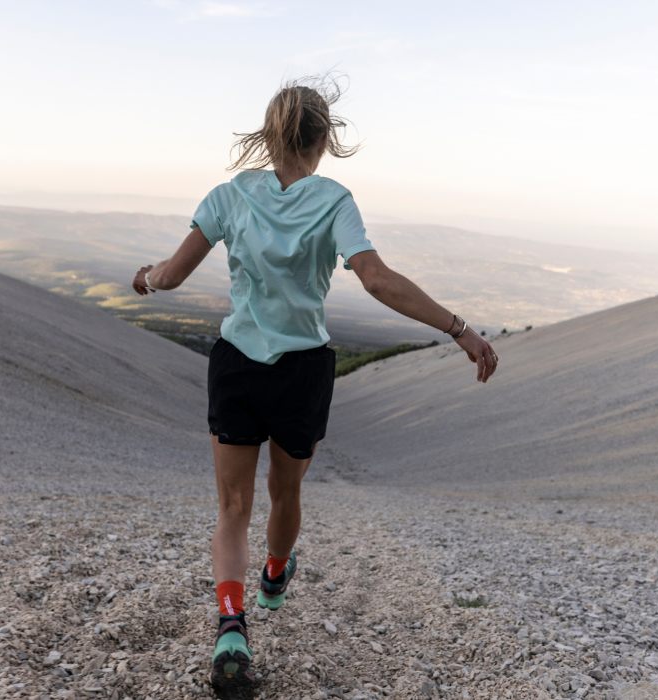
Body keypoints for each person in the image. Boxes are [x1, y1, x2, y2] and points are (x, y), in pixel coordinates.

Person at [130, 75, 498, 690]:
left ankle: (230, 627)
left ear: (268, 134)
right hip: (302, 372)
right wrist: (458, 327)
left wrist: (146, 278)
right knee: (286, 491)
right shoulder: (334, 199)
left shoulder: (227, 196)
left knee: (232, 506)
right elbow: (377, 281)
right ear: (325, 138)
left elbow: (172, 274)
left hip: (237, 364)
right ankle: (275, 572)